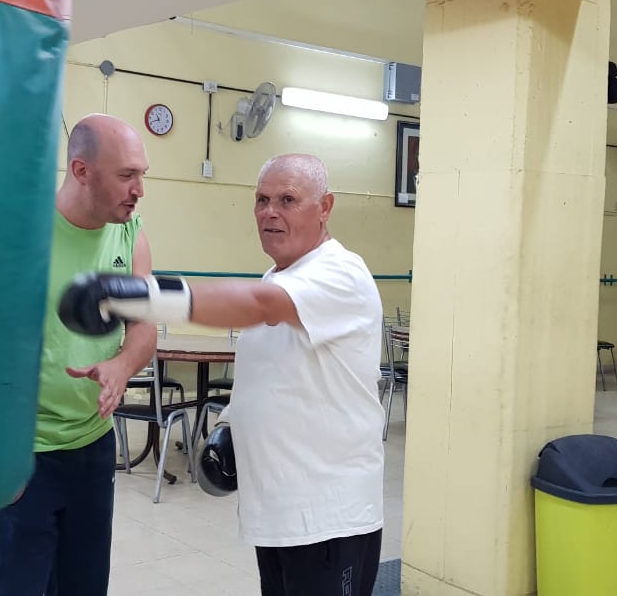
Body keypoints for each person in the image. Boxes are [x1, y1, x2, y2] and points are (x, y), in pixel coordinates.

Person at [59, 153, 386, 595]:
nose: (270, 212)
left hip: (328, 518)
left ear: (325, 207)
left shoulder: (340, 273)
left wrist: (139, 297)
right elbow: (272, 369)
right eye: (262, 200)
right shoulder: (279, 274)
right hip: (281, 515)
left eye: (288, 200)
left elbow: (259, 305)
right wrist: (232, 430)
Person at [0, 113, 158, 596]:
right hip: (23, 451)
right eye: (126, 175)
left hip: (93, 448)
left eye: (142, 174)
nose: (139, 189)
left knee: (83, 586)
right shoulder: (19, 234)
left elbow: (144, 328)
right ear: (81, 171)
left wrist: (121, 365)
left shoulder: (130, 233)